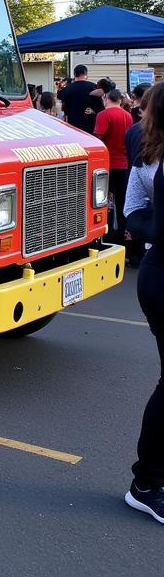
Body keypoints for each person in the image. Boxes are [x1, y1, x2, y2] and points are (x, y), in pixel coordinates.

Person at [124, 82, 164, 522]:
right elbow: (133, 214)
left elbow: (133, 211)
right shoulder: (151, 158)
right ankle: (147, 482)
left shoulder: (147, 153)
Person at [95, 88, 134, 245]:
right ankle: (125, 239)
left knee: (105, 202)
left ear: (106, 98)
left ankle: (108, 237)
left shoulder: (103, 115)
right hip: (124, 164)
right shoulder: (128, 116)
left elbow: (98, 138)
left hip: (108, 164)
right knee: (123, 202)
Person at [57, 64, 103, 134]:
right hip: (90, 124)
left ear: (74, 74)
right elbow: (101, 106)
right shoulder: (94, 87)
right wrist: (94, 111)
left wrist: (60, 87)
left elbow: (60, 96)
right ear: (86, 73)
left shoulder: (69, 88)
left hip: (73, 125)